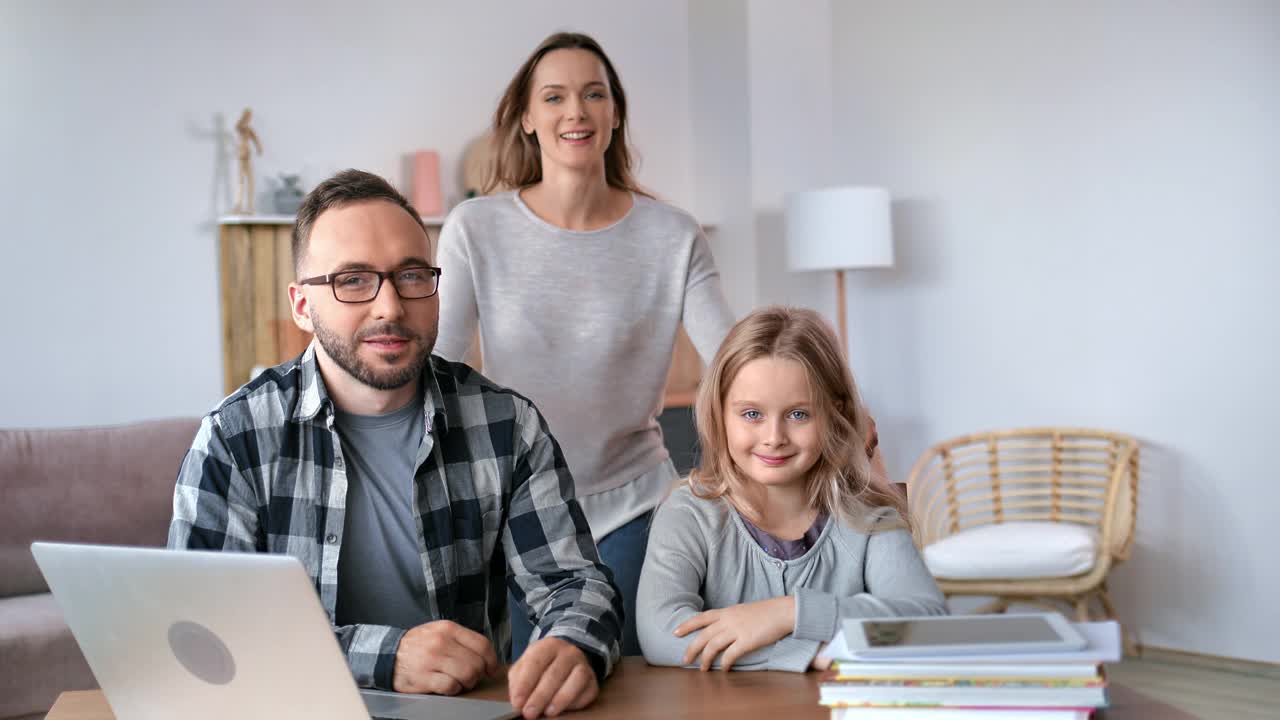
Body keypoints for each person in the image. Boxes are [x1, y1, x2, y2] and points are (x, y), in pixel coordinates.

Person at [168, 169, 622, 720]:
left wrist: (574, 646)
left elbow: (573, 583)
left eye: (410, 275)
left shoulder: (507, 424)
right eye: (353, 280)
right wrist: (384, 657)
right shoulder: (234, 436)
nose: (389, 306)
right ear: (302, 306)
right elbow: (203, 631)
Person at [434, 32, 737, 658]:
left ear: (615, 113)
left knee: (631, 678)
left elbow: (739, 357)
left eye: (593, 94)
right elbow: (442, 366)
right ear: (527, 118)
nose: (576, 111)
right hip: (522, 511)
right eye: (555, 96)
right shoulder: (475, 227)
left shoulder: (672, 233)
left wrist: (829, 400)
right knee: (542, 683)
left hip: (637, 502)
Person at [636, 307, 946, 672]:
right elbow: (661, 635)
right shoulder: (688, 513)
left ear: (835, 413)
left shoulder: (869, 517)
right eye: (752, 414)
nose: (774, 438)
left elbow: (928, 623)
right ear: (719, 413)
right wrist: (803, 654)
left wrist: (789, 613)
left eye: (798, 414)